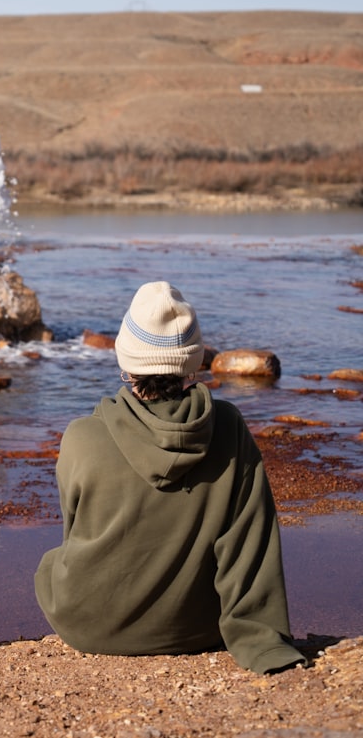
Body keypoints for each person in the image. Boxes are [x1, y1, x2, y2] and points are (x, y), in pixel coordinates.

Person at [34, 281, 305, 674]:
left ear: (126, 361)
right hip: (195, 630)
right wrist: (262, 641)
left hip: (88, 626)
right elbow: (250, 544)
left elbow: (77, 534)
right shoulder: (227, 428)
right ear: (193, 363)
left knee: (49, 567)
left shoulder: (82, 436)